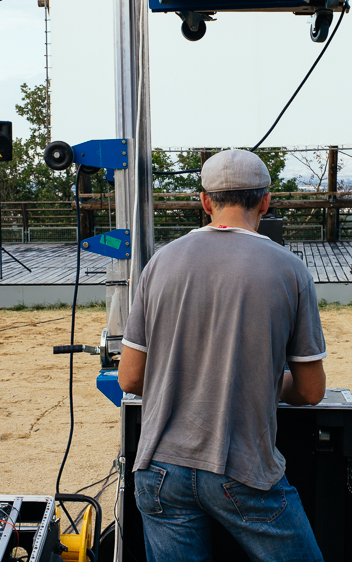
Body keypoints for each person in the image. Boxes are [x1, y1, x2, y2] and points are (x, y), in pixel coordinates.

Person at [118, 148, 327, 562]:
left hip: (159, 469)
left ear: (205, 201)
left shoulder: (159, 263)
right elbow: (311, 390)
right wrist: (265, 380)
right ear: (266, 202)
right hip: (243, 469)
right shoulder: (290, 270)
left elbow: (130, 379)